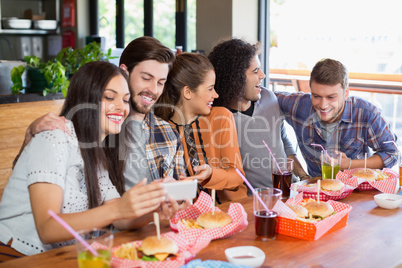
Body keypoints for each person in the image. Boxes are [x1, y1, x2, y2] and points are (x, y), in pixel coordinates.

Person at [0, 61, 168, 260]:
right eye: (109, 97)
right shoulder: (55, 138)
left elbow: (121, 219)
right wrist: (118, 209)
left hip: (60, 256)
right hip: (17, 257)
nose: (121, 108)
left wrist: (156, 211)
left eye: (125, 100)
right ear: (85, 99)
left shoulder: (95, 151)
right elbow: (47, 228)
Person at [208, 38, 309, 192]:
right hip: (257, 202)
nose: (262, 75)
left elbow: (283, 141)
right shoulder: (220, 118)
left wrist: (303, 177)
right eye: (255, 71)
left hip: (291, 190)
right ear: (235, 77)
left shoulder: (269, 97)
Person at [275, 58, 399, 176]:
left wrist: (350, 164)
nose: (323, 105)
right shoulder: (299, 105)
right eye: (316, 96)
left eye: (331, 97)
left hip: (357, 192)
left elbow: (392, 153)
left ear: (345, 94)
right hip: (316, 191)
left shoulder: (367, 113)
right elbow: (265, 95)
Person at [154, 53, 247, 203]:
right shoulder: (162, 130)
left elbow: (237, 176)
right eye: (210, 89)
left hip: (231, 211)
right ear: (188, 92)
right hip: (190, 218)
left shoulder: (221, 117)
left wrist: (211, 174)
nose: (216, 95)